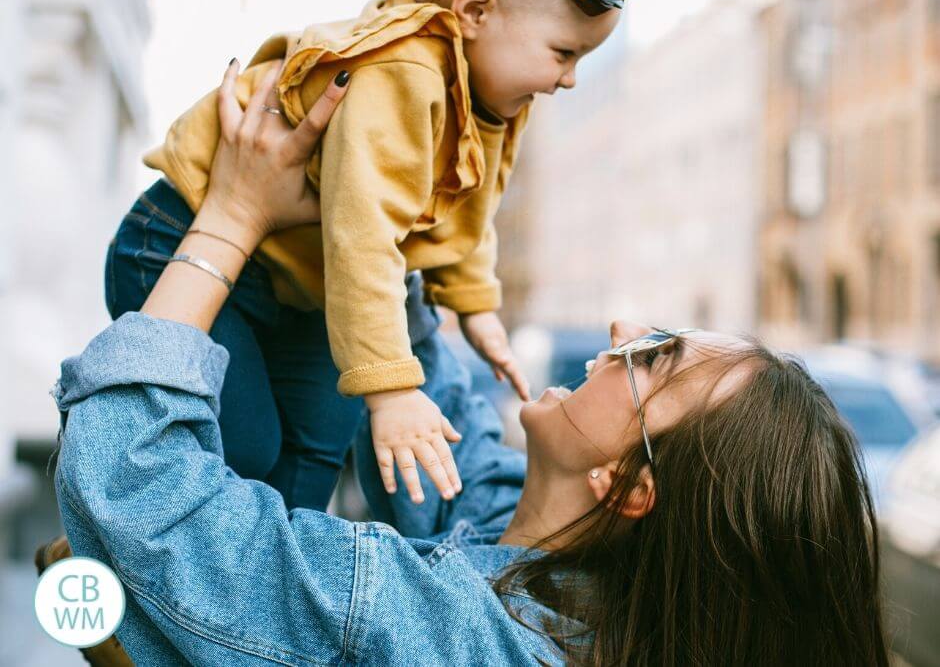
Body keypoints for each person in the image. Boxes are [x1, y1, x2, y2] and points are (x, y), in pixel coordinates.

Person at [50, 58, 890, 666]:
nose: (620, 326)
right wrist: (381, 194)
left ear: (632, 488)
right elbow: (444, 431)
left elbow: (136, 482)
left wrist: (232, 215)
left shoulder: (438, 626)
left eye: (653, 357)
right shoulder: (559, 576)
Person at [105, 0, 661, 512]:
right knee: (249, 446)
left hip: (302, 286)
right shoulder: (403, 72)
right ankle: (112, 521)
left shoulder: (490, 94)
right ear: (475, 11)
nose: (570, 78)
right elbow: (363, 237)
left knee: (317, 441)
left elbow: (468, 206)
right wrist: (392, 391)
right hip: (180, 241)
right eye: (564, 52)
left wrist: (475, 306)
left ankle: (267, 591)